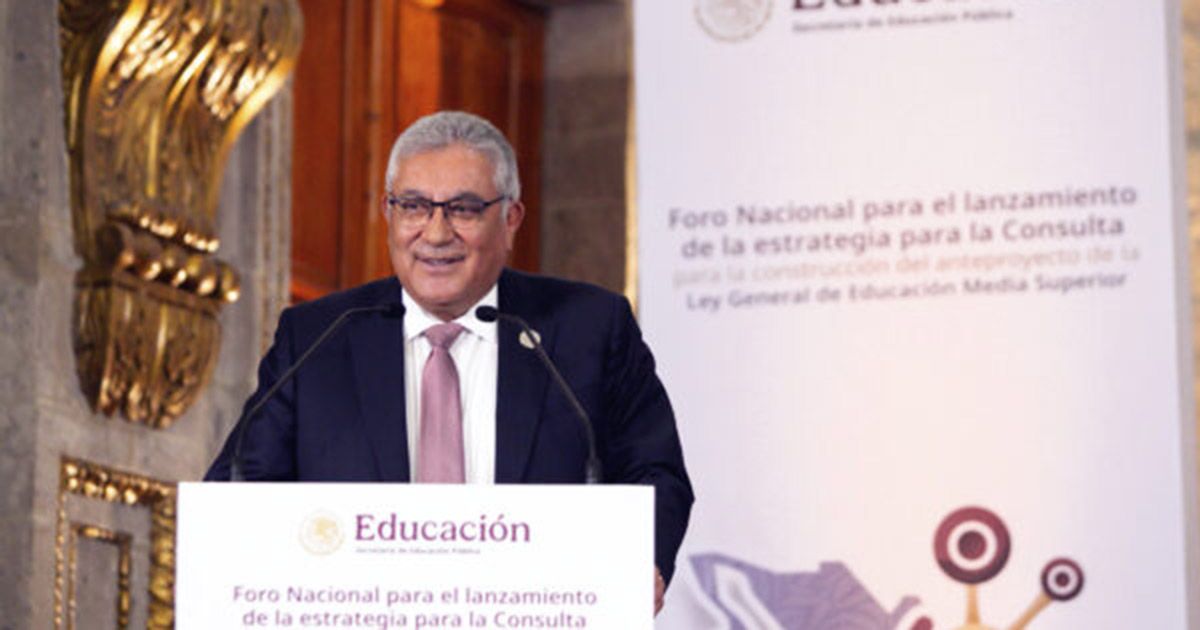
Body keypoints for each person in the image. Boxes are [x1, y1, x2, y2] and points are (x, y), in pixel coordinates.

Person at [206, 111, 693, 613]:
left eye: (463, 209)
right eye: (414, 206)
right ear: (388, 213)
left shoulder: (588, 328)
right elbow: (241, 483)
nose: (436, 233)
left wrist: (639, 562)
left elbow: (654, 471)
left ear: (510, 220)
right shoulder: (317, 338)